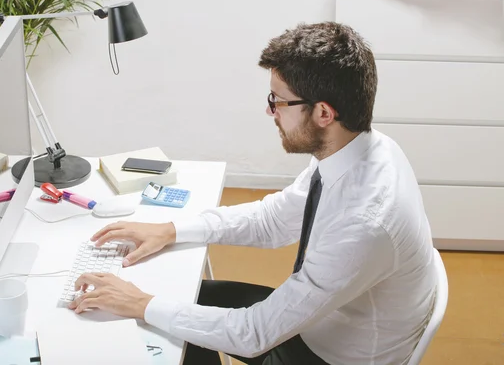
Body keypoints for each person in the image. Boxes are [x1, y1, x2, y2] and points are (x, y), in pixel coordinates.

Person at [68, 22, 437, 365]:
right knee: (174, 301)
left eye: (278, 100)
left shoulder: (363, 223)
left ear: (323, 113)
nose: (269, 110)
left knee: (161, 327)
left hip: (330, 354)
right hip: (324, 319)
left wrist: (141, 305)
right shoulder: (361, 149)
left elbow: (253, 334)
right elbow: (274, 220)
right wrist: (172, 230)